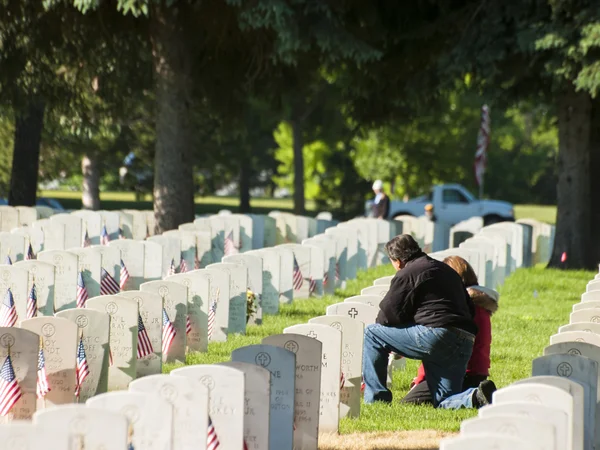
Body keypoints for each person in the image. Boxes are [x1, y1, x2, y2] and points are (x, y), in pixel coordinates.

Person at [362, 234, 496, 408]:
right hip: (465, 339)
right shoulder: (447, 270)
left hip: (435, 334)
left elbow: (387, 316)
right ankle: (475, 397)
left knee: (372, 334)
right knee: (442, 400)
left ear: (397, 261)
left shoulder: (407, 273)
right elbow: (469, 309)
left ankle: (376, 400)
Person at [400, 255, 499, 405]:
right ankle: (475, 393)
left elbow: (435, 346)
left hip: (458, 372)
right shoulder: (480, 306)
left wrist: (420, 380)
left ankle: (474, 396)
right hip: (478, 373)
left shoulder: (456, 307)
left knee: (410, 403)